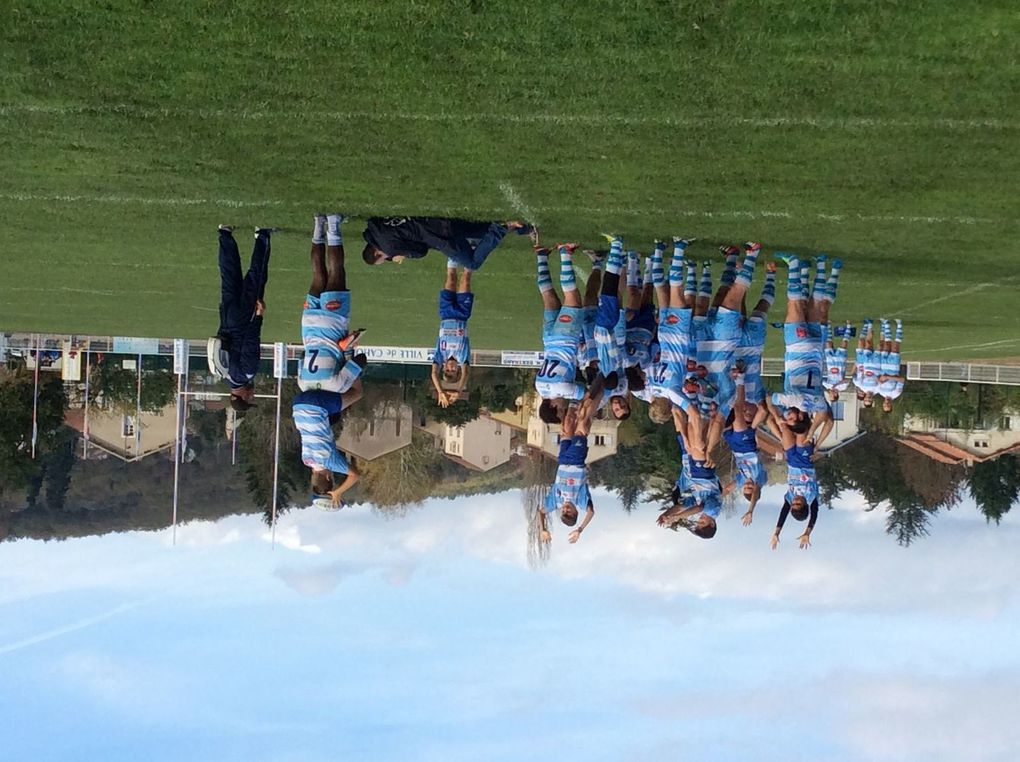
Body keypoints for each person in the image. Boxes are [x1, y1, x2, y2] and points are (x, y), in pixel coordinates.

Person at [293, 213, 367, 505]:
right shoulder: (307, 460)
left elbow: (355, 475)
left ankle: (334, 223)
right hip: (306, 354)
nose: (333, 478)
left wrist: (338, 493)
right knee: (318, 276)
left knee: (338, 274)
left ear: (326, 481)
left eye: (330, 482)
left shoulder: (327, 462)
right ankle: (317, 225)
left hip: (330, 328)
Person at [769, 253, 842, 432]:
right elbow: (770, 398)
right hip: (798, 347)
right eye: (792, 419)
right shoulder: (795, 401)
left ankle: (822, 263)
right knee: (794, 305)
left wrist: (811, 432)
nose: (788, 416)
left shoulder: (818, 403)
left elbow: (824, 415)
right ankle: (793, 263)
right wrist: (778, 418)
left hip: (817, 347)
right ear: (801, 416)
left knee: (815, 304)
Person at [537, 381, 605, 544]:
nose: (566, 508)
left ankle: (578, 391)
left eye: (564, 512)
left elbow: (541, 512)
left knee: (567, 423)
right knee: (582, 423)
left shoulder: (556, 502)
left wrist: (543, 528)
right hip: (576, 460)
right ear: (575, 512)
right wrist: (580, 529)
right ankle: (601, 389)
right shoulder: (580, 501)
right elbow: (591, 512)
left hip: (562, 460)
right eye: (569, 511)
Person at [215, 225, 273, 414]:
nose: (253, 395)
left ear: (244, 396)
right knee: (229, 275)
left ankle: (262, 236)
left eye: (250, 398)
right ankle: (225, 234)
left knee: (256, 278)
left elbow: (251, 342)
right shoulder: (224, 374)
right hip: (226, 318)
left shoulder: (247, 373)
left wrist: (258, 317)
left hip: (243, 320)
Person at [764, 395, 834, 549]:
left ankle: (780, 401)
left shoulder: (789, 496)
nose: (795, 500)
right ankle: (805, 400)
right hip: (804, 459)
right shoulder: (811, 496)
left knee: (785, 426)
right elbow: (814, 513)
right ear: (804, 504)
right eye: (798, 503)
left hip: (791, 459)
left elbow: (783, 512)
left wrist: (777, 532)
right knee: (801, 426)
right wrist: (808, 531)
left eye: (793, 504)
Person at [656, 405, 732, 538]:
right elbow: (697, 509)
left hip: (695, 474)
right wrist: (677, 518)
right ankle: (706, 409)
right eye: (702, 522)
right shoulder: (713, 511)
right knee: (696, 440)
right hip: (704, 475)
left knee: (687, 436)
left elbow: (681, 506)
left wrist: (667, 514)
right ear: (712, 523)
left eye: (698, 522)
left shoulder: (699, 502)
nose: (700, 519)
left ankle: (679, 404)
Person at [534, 243, 587, 423]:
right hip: (548, 339)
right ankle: (541, 255)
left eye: (561, 409)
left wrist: (576, 412)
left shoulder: (563, 390)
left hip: (566, 337)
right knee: (549, 297)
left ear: (553, 407)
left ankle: (565, 252)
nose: (564, 406)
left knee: (572, 297)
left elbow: (583, 392)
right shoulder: (539, 387)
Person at [362, 216, 533, 269]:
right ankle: (524, 228)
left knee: (472, 263)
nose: (387, 258)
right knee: (477, 230)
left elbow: (421, 252)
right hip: (435, 222)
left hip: (439, 236)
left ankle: (503, 227)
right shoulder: (376, 228)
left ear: (377, 252)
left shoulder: (389, 248)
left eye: (384, 259)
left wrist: (400, 255)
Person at [591, 238, 632, 419]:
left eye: (616, 408)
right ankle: (617, 247)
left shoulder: (613, 388)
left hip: (610, 332)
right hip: (612, 332)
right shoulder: (619, 387)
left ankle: (620, 255)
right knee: (612, 292)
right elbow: (596, 397)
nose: (617, 404)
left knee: (613, 294)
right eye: (622, 405)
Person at [724, 380, 769, 525]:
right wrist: (751, 510)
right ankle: (740, 379)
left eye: (746, 488)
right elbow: (755, 494)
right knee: (737, 411)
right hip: (747, 446)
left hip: (734, 446)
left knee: (721, 418)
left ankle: (728, 385)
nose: (748, 485)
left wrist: (712, 499)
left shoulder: (741, 480)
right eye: (751, 488)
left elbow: (728, 488)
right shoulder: (760, 479)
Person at [431, 259, 473, 408]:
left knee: (451, 278)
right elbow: (466, 373)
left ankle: (453, 254)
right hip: (462, 314)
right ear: (458, 370)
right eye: (453, 370)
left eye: (447, 369)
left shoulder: (440, 356)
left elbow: (433, 374)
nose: (450, 367)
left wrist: (440, 391)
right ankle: (471, 250)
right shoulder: (463, 358)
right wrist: (459, 391)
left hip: (446, 313)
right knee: (466, 277)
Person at [877, 318, 906, 412]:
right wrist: (889, 377)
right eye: (888, 406)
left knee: (887, 345)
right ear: (891, 405)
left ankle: (886, 324)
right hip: (893, 367)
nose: (886, 404)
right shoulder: (896, 393)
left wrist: (880, 379)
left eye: (885, 406)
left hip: (884, 366)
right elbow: (901, 380)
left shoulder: (880, 392)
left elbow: (878, 379)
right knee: (895, 346)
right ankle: (899, 325)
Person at [852, 318, 880, 408]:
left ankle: (869, 325)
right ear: (872, 400)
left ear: (864, 399)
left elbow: (859, 374)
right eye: (870, 401)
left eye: (866, 400)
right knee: (876, 344)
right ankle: (871, 326)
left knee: (867, 343)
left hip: (866, 363)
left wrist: (858, 363)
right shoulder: (878, 389)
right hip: (876, 364)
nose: (868, 399)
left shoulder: (861, 386)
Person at [823, 321, 853, 402]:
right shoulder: (842, 387)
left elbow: (821, 380)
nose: (830, 394)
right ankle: (849, 326)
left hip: (830, 361)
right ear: (836, 395)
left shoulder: (827, 386)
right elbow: (847, 380)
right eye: (831, 396)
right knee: (844, 343)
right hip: (840, 361)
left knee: (828, 342)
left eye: (829, 395)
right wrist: (836, 385)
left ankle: (828, 324)